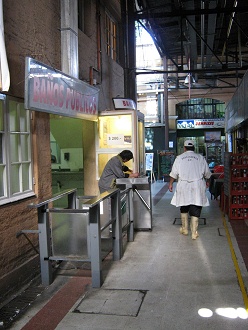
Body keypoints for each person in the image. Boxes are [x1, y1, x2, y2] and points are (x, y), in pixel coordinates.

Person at [168, 140, 212, 240]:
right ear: (194, 148)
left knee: (184, 205)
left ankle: (184, 229)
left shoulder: (179, 158)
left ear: (184, 148)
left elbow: (173, 173)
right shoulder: (200, 158)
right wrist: (208, 181)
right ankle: (194, 232)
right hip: (197, 184)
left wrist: (170, 184)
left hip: (183, 184)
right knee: (196, 206)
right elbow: (207, 173)